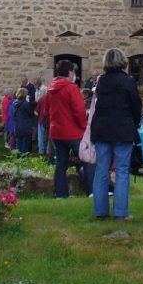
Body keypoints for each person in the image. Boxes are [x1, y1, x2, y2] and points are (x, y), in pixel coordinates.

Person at [90, 48, 142, 220]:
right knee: (121, 170)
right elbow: (136, 105)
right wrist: (134, 123)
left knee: (101, 170)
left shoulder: (101, 82)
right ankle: (120, 212)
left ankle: (100, 211)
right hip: (122, 128)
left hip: (102, 128)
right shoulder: (128, 81)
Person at [45, 59, 92, 197]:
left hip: (56, 132)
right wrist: (84, 127)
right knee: (87, 159)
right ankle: (93, 191)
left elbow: (47, 111)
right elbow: (79, 111)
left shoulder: (50, 89)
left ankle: (60, 194)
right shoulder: (72, 88)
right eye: (73, 72)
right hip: (73, 132)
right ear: (70, 72)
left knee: (60, 163)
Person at [13, 86, 37, 153]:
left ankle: (18, 160)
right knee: (25, 145)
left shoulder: (14, 103)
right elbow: (31, 114)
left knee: (18, 144)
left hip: (17, 126)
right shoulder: (25, 104)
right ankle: (23, 160)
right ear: (25, 95)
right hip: (26, 127)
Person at [34, 78, 50, 156]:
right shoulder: (53, 100)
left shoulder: (41, 99)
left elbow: (36, 112)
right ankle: (48, 151)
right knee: (49, 138)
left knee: (41, 137)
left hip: (41, 120)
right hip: (50, 121)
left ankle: (41, 151)